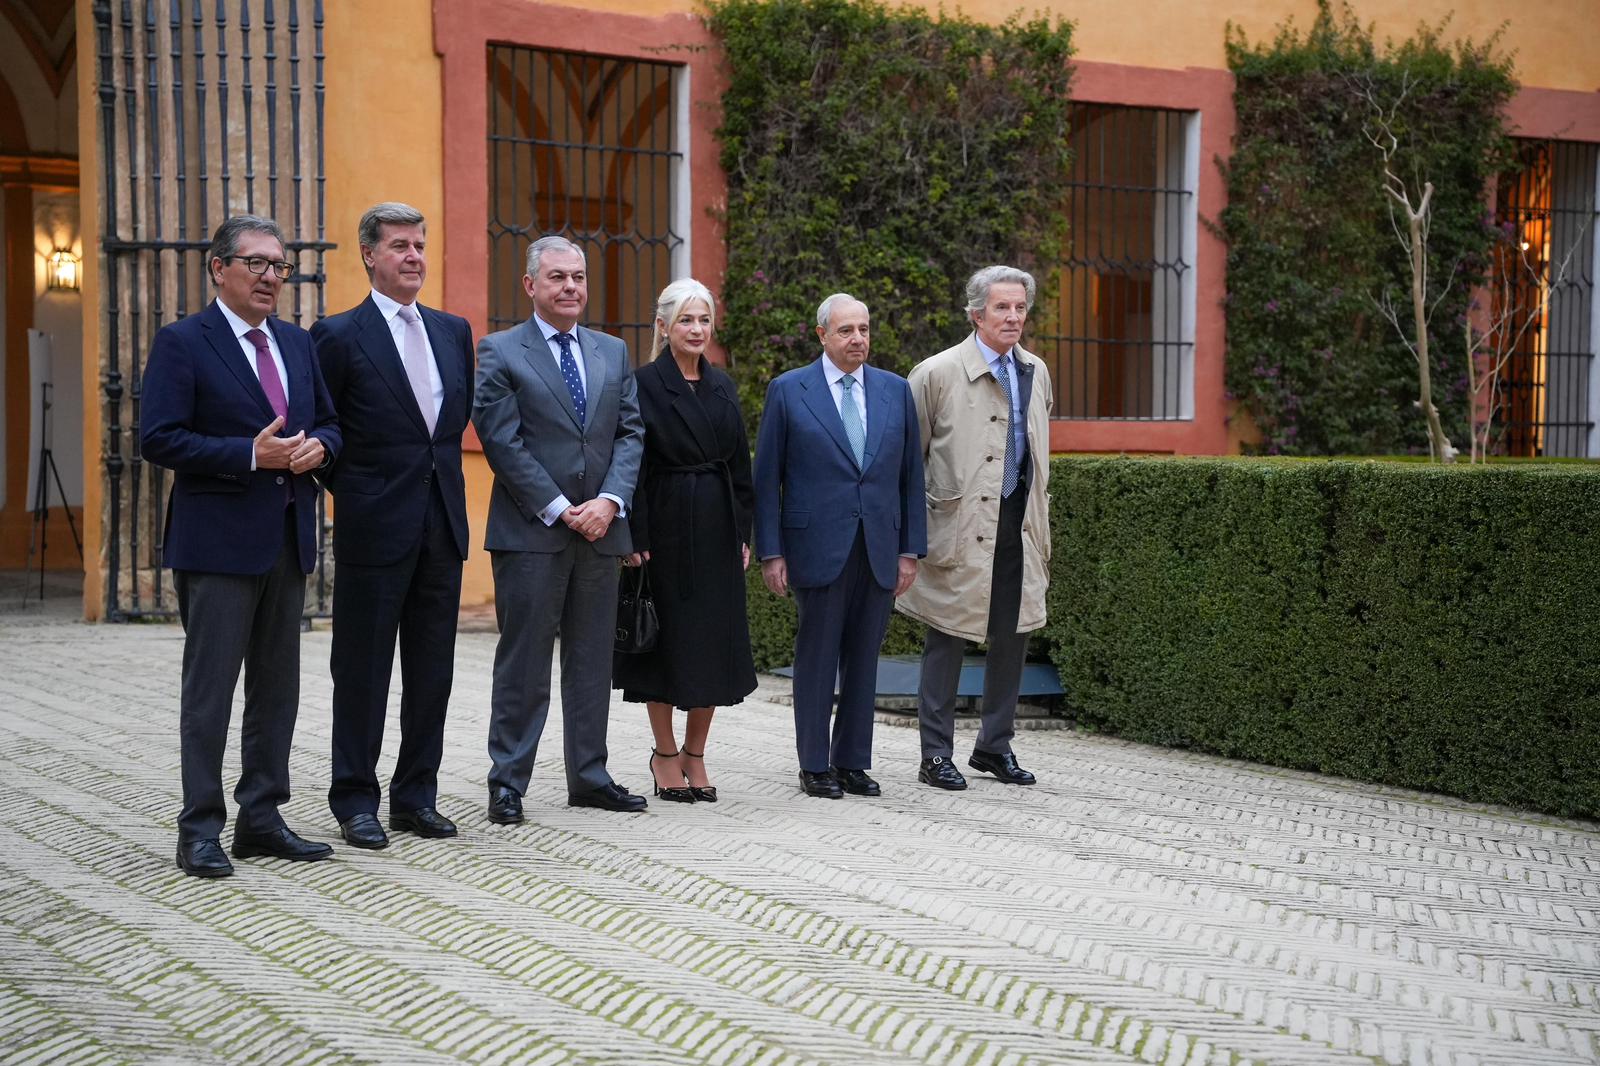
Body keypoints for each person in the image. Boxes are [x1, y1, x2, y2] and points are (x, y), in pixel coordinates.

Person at [141, 214, 342, 877]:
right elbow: (159, 437)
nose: (269, 278)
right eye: (255, 264)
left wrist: (321, 448)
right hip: (217, 544)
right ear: (218, 268)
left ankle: (262, 816)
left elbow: (331, 425)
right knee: (211, 694)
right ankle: (199, 828)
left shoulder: (295, 343)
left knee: (277, 691)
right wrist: (248, 456)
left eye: (278, 266)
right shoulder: (183, 343)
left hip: (287, 537)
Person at [312, 202, 474, 849]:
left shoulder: (451, 330)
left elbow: (448, 427)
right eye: (400, 246)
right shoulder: (338, 335)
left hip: (441, 528)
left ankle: (416, 796)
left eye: (419, 245)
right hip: (373, 530)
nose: (413, 256)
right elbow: (324, 433)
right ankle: (355, 800)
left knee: (432, 674)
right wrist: (357, 494)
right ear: (370, 256)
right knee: (362, 671)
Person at [473, 235, 647, 820]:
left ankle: (590, 776)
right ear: (531, 286)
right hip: (532, 532)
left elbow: (631, 432)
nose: (570, 287)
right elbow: (501, 440)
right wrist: (556, 504)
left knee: (593, 658)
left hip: (601, 533)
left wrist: (611, 501)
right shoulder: (499, 351)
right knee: (523, 660)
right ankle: (508, 781)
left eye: (578, 277)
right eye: (557, 278)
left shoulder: (612, 352)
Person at [753, 293, 926, 799]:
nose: (858, 339)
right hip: (815, 547)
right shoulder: (788, 391)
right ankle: (814, 764)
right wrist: (771, 551)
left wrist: (910, 549)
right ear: (822, 335)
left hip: (878, 545)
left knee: (864, 659)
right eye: (847, 330)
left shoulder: (896, 391)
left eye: (865, 330)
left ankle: (852, 761)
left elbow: (910, 477)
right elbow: (768, 481)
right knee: (817, 658)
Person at [897, 265, 1053, 790]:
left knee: (1014, 635)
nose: (1013, 317)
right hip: (958, 523)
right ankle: (935, 753)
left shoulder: (1036, 370)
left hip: (1018, 521)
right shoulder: (935, 373)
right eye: (1001, 308)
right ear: (975, 313)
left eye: (1019, 308)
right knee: (946, 635)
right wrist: (910, 536)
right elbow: (906, 461)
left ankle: (994, 746)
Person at [615, 279, 757, 803]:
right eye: (685, 321)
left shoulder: (722, 386)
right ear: (664, 327)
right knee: (666, 644)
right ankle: (664, 753)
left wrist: (743, 532)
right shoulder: (643, 383)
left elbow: (740, 466)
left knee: (712, 646)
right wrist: (636, 535)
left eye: (703, 320)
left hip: (718, 531)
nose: (696, 330)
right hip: (665, 533)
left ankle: (697, 753)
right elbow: (634, 466)